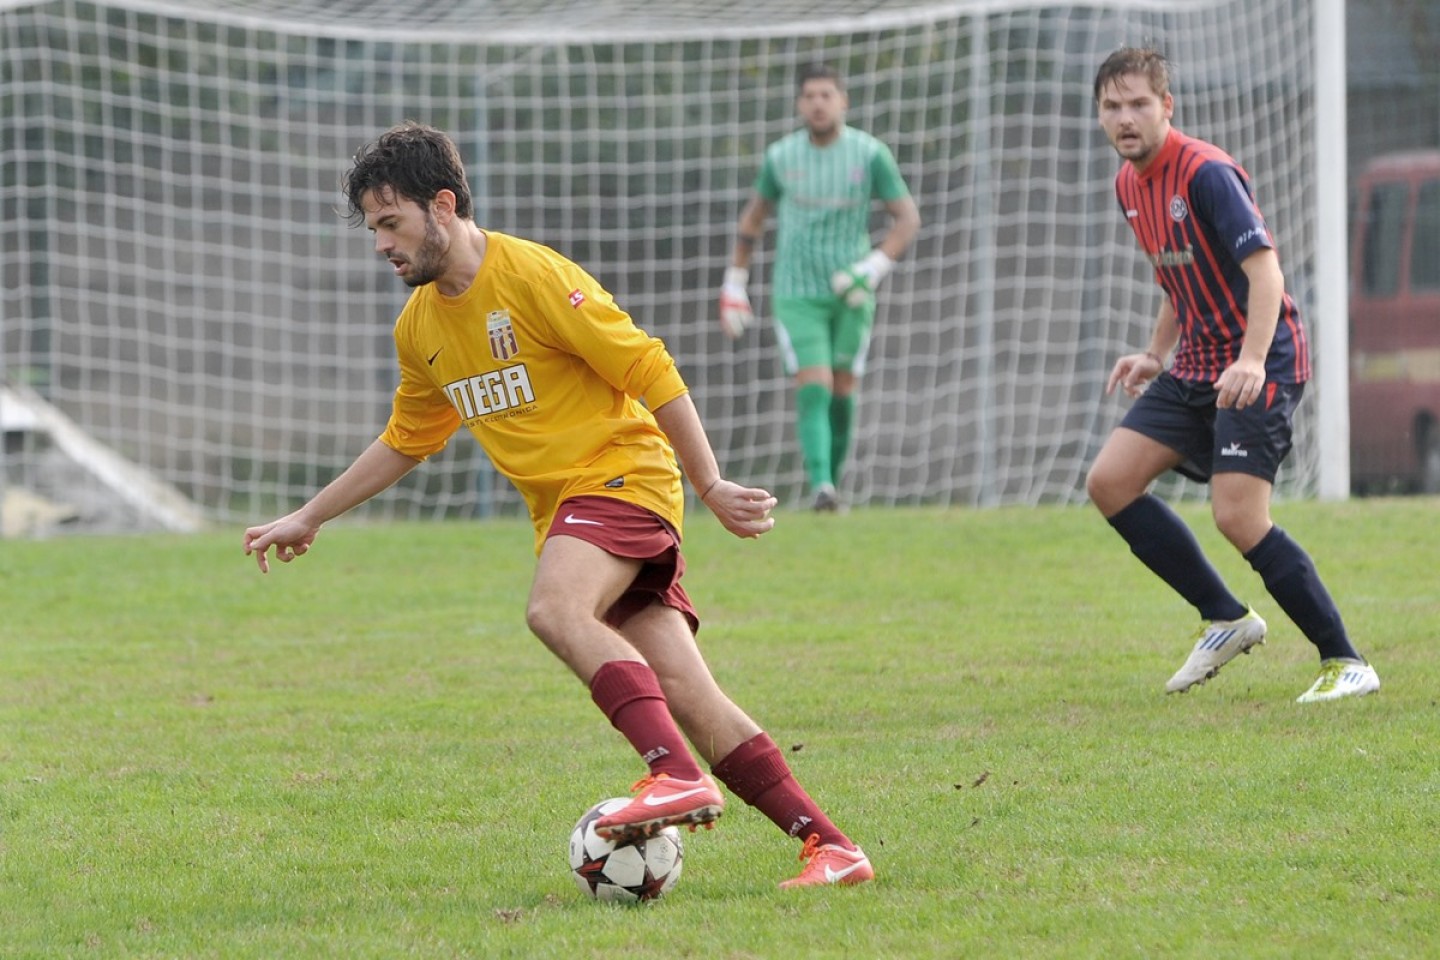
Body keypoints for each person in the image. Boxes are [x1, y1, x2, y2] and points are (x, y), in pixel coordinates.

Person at [242, 122, 874, 888]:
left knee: (552, 609)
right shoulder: (420, 327)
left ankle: (671, 772)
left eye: (390, 223)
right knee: (688, 691)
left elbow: (647, 364)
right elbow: (407, 438)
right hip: (578, 512)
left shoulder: (533, 276)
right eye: (374, 229)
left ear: (442, 205)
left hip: (622, 478)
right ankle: (830, 846)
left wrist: (708, 483)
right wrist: (310, 514)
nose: (381, 244)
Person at [1086, 47, 1380, 703]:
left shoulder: (1207, 174)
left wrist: (1250, 359)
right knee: (1111, 482)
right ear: (1100, 116)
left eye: (1139, 103)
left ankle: (1347, 660)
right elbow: (1176, 274)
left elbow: (1265, 273)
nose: (1126, 118)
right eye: (1113, 106)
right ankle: (1225, 618)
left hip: (1263, 355)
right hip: (1195, 360)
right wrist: (1155, 354)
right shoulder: (1127, 185)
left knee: (1238, 515)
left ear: (1168, 107)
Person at [719, 63, 921, 512]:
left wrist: (872, 267)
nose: (818, 103)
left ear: (842, 100)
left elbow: (907, 218)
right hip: (797, 293)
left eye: (826, 94)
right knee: (815, 384)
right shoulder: (781, 157)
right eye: (809, 95)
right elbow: (753, 218)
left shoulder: (870, 155)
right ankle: (822, 486)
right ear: (799, 103)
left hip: (852, 293)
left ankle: (833, 483)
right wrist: (735, 281)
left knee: (843, 390)